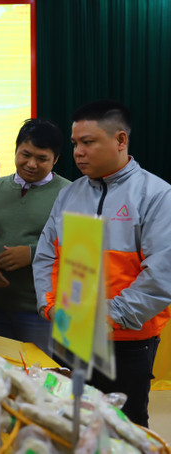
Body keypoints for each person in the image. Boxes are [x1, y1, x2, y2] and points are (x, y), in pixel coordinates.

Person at [33, 100, 171, 427]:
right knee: (71, 423)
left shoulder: (156, 195)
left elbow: (162, 275)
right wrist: (50, 305)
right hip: (72, 335)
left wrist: (110, 315)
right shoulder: (69, 194)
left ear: (120, 140)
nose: (78, 152)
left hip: (127, 342)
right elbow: (47, 255)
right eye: (74, 144)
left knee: (123, 429)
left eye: (88, 142)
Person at [0, 119, 70, 353]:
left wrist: (32, 254)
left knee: (37, 372)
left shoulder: (69, 194)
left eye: (42, 158)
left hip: (40, 310)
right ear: (16, 150)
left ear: (55, 159)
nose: (31, 164)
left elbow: (78, 245)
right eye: (25, 155)